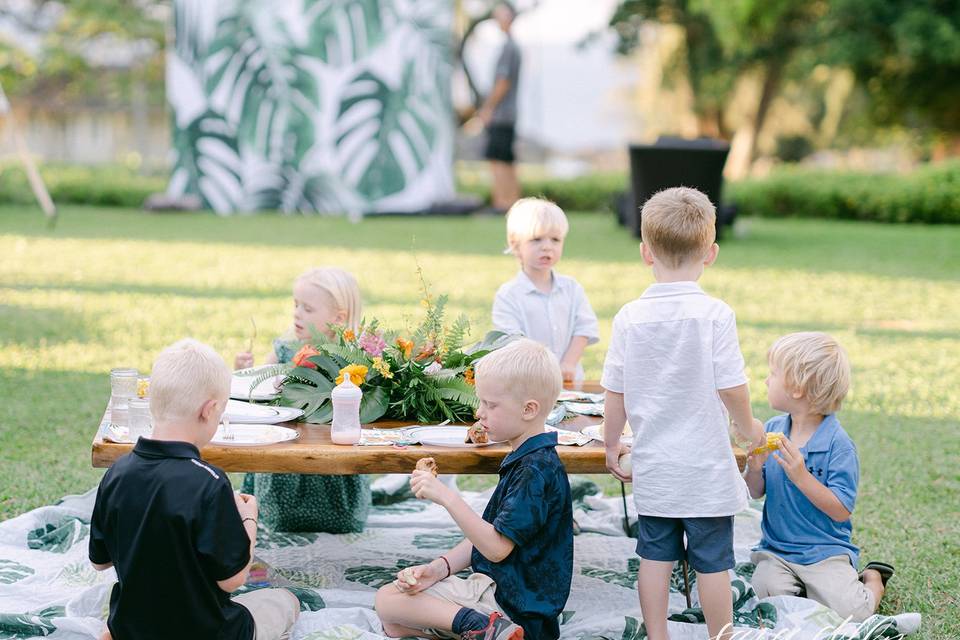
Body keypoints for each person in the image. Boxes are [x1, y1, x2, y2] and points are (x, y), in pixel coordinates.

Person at [601, 187, 765, 640]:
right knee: (714, 563)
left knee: (654, 558)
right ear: (711, 253)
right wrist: (749, 429)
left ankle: (658, 635)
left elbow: (614, 391)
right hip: (706, 468)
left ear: (644, 252)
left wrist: (611, 442)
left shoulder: (629, 317)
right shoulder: (715, 314)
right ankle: (722, 635)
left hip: (656, 466)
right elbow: (731, 384)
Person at [89, 339, 300, 640]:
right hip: (207, 631)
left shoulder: (116, 473)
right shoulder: (210, 483)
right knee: (285, 601)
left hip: (133, 628)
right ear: (209, 410)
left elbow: (100, 561)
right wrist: (247, 519)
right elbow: (233, 579)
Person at [374, 339, 573, 640]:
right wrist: (439, 569)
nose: (480, 413)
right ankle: (484, 631)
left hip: (513, 605)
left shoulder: (534, 470)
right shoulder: (529, 459)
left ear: (529, 409)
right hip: (513, 602)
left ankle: (486, 628)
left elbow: (495, 548)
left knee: (388, 600)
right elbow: (492, 532)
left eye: (491, 405)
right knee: (395, 626)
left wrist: (446, 497)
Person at [745, 332, 893, 621]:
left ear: (797, 388)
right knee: (763, 598)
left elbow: (841, 510)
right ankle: (804, 591)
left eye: (773, 373)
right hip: (778, 551)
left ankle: (873, 579)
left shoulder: (839, 445)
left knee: (853, 613)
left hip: (825, 553)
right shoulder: (774, 429)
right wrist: (754, 467)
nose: (766, 380)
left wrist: (802, 476)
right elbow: (755, 491)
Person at [236, 267, 370, 533]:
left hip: (333, 466)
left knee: (339, 514)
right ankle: (275, 510)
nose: (297, 313)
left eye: (308, 309)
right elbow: (257, 391)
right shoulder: (285, 350)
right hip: (283, 462)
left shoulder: (352, 361)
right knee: (281, 511)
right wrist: (243, 369)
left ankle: (339, 513)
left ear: (339, 318)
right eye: (296, 305)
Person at [492, 197, 599, 382]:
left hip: (568, 382)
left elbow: (585, 328)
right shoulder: (509, 295)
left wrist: (569, 363)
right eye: (536, 239)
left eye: (555, 239)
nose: (547, 247)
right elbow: (510, 340)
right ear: (515, 244)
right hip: (528, 383)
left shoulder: (572, 289)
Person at [478, 2, 521, 212]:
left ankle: (502, 203)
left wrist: (487, 108)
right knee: (506, 158)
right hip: (509, 114)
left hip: (502, 114)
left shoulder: (508, 48)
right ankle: (511, 203)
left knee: (498, 159)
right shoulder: (512, 46)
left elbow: (502, 83)